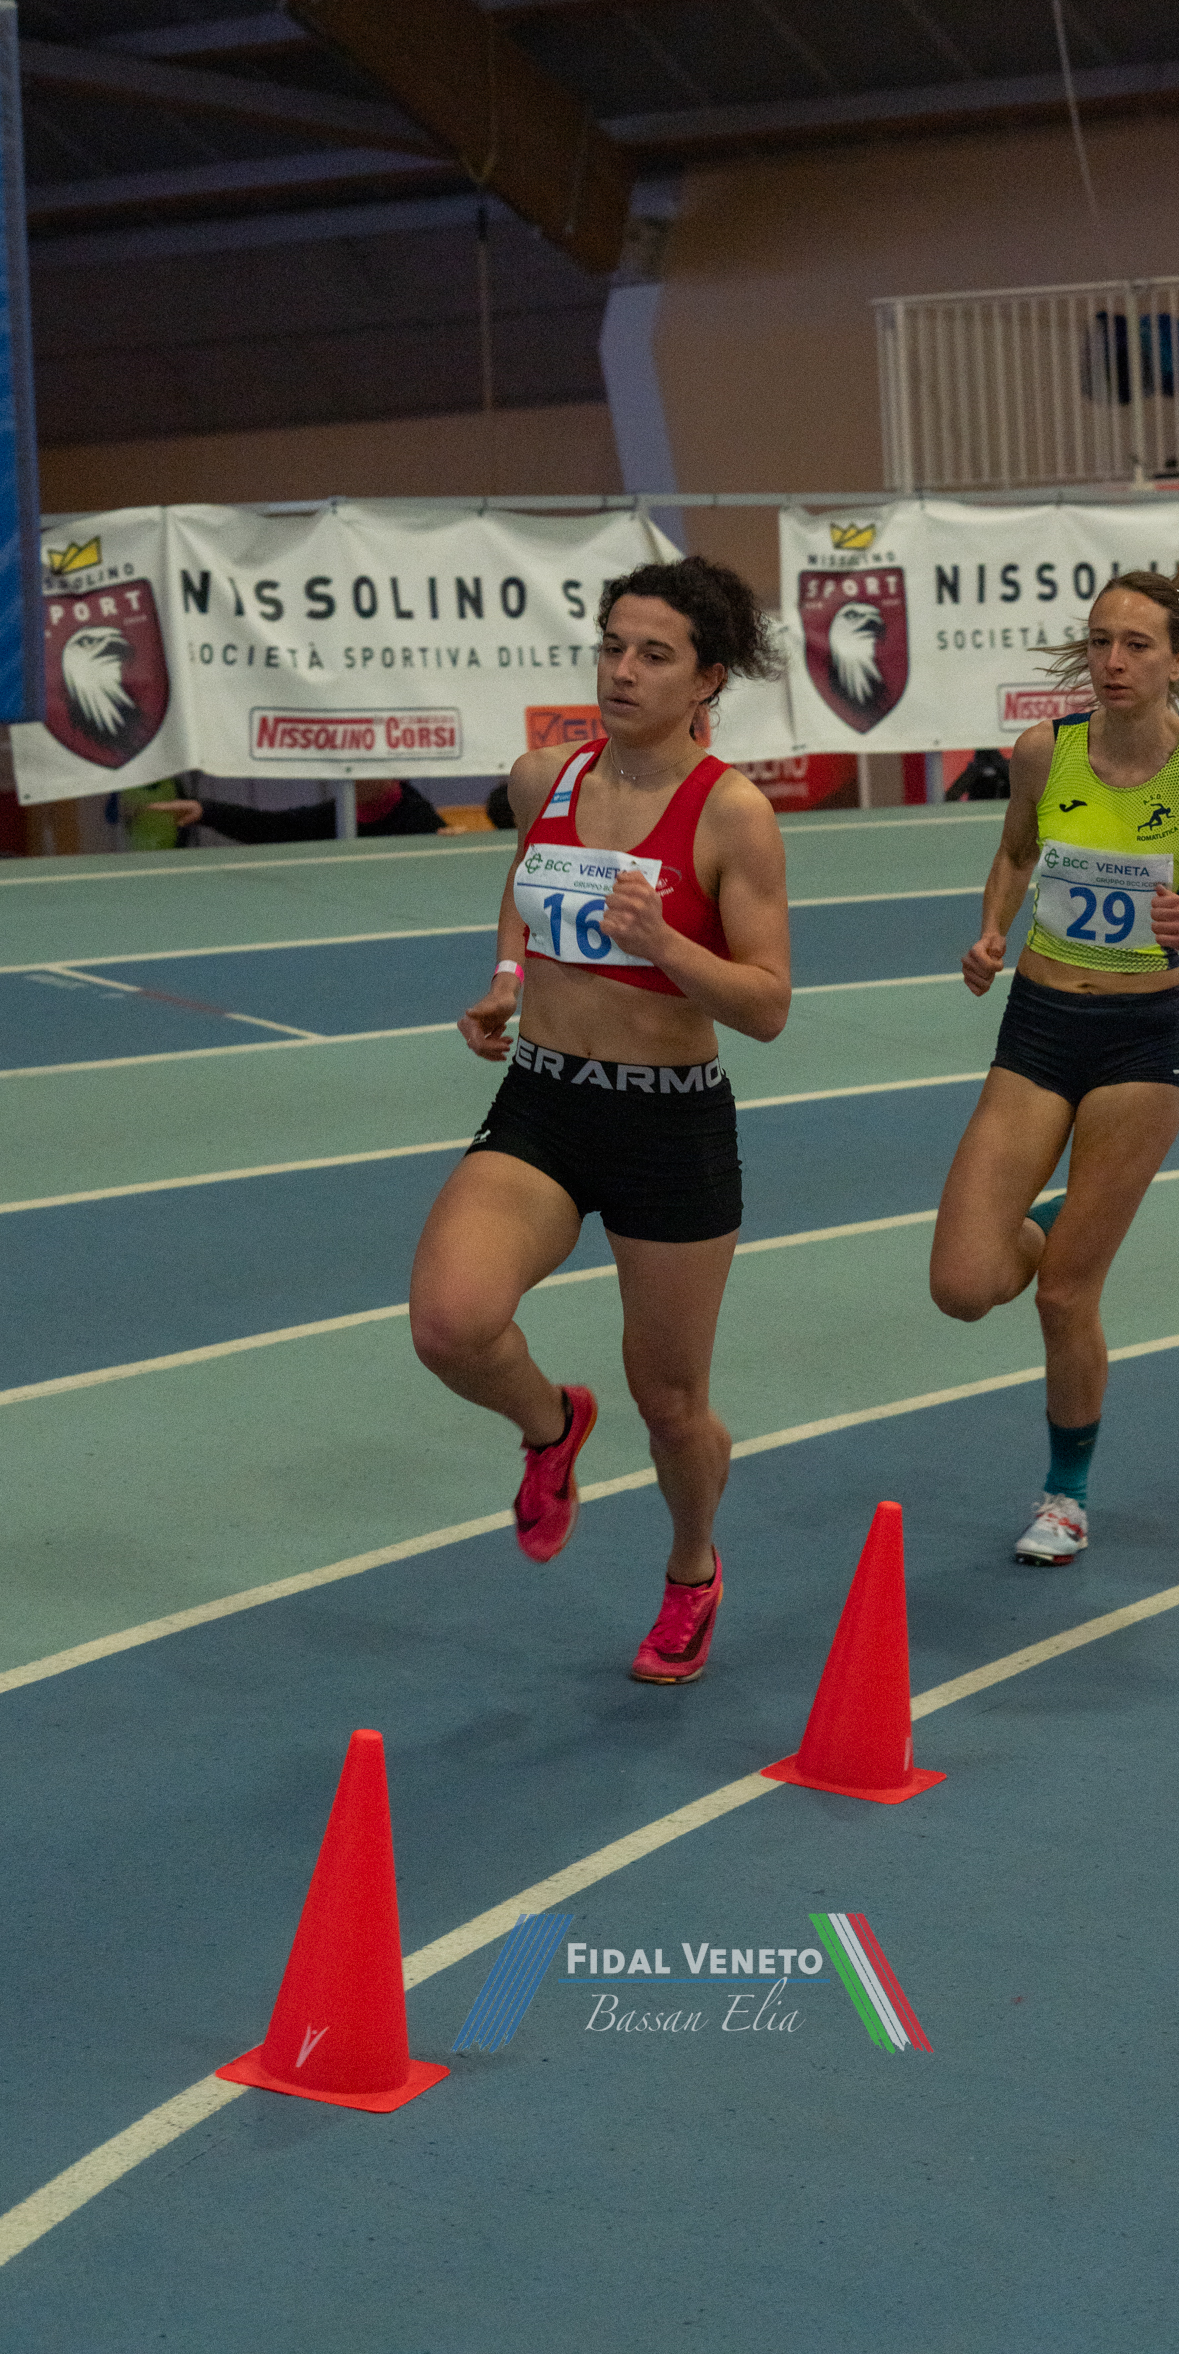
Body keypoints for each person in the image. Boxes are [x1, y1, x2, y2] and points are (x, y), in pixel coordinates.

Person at [408, 557, 791, 1683]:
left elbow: (768, 1004)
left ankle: (690, 1568)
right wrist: (505, 979)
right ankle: (550, 1424)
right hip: (543, 1100)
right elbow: (526, 881)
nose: (622, 671)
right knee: (449, 1322)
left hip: (669, 1126)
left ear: (706, 678)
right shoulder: (546, 777)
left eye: (654, 654)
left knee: (671, 1407)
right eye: (613, 646)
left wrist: (666, 944)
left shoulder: (732, 813)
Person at [929, 561, 1179, 1566]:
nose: (1111, 661)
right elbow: (1016, 853)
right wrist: (991, 932)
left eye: (1136, 645)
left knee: (1063, 1296)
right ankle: (1067, 1217)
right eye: (1099, 641)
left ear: (1178, 659)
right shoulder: (1042, 751)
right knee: (962, 1283)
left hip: (1141, 1043)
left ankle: (1065, 1495)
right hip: (1037, 1025)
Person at [132, 779, 442, 841]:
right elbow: (272, 827)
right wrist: (205, 811)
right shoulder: (335, 816)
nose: (353, 778)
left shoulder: (418, 818)